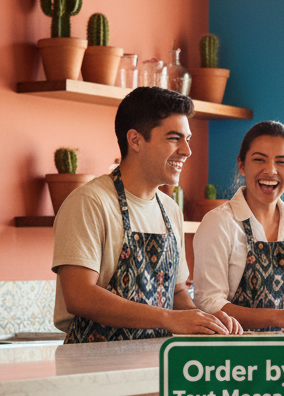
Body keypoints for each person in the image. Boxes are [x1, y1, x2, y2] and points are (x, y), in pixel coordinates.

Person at [53, 86, 241, 342]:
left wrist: (207, 320)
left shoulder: (170, 210)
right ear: (135, 140)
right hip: (95, 370)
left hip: (156, 366)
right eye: (174, 138)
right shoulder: (90, 202)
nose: (187, 151)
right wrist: (168, 318)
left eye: (188, 139)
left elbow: (177, 296)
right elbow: (79, 296)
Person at [193, 120, 284, 330]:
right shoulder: (219, 222)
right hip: (234, 358)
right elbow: (209, 304)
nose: (270, 170)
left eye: (281, 162)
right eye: (259, 160)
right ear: (242, 165)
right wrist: (280, 318)